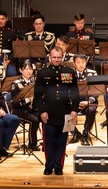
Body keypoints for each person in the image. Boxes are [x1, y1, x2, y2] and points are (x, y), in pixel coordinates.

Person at [34, 47, 79, 175]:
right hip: (49, 112)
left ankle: (58, 166)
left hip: (65, 111)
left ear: (62, 57)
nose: (56, 60)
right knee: (49, 140)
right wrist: (42, 111)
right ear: (50, 57)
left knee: (62, 141)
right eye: (54, 57)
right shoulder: (42, 73)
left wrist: (74, 109)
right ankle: (49, 166)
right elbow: (38, 95)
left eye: (59, 57)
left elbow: (75, 92)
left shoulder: (69, 72)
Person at [8, 60, 41, 152]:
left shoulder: (34, 81)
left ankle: (46, 142)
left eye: (30, 69)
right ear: (20, 70)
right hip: (20, 110)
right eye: (26, 69)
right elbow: (14, 102)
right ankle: (32, 144)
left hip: (32, 109)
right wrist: (27, 100)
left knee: (44, 116)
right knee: (35, 121)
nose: (28, 71)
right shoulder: (16, 83)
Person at [69, 54, 98, 145]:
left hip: (88, 101)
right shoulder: (68, 74)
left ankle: (85, 134)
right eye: (78, 62)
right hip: (73, 102)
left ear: (86, 62)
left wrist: (89, 101)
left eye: (83, 62)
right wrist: (74, 103)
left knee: (91, 110)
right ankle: (75, 133)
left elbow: (96, 91)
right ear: (74, 63)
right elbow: (65, 91)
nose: (81, 65)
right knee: (62, 109)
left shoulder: (93, 73)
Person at [0, 10, 20, 77]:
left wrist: (9, 60)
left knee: (12, 74)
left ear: (6, 19)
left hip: (8, 58)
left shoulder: (12, 32)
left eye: (2, 19)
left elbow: (16, 49)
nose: (0, 21)